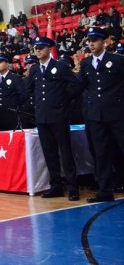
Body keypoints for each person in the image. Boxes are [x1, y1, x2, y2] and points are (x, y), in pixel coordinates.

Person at [28, 36, 82, 200]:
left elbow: (76, 85)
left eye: (41, 48)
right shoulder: (35, 70)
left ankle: (73, 187)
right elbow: (30, 89)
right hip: (42, 116)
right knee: (49, 152)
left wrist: (62, 100)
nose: (38, 50)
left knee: (65, 152)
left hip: (59, 115)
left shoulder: (60, 67)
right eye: (36, 48)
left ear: (49, 49)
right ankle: (56, 185)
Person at [78, 27, 124, 203]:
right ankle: (105, 191)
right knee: (101, 154)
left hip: (118, 113)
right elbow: (81, 86)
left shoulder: (118, 61)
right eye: (89, 40)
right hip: (95, 116)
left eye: (95, 40)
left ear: (104, 42)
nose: (91, 43)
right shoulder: (86, 63)